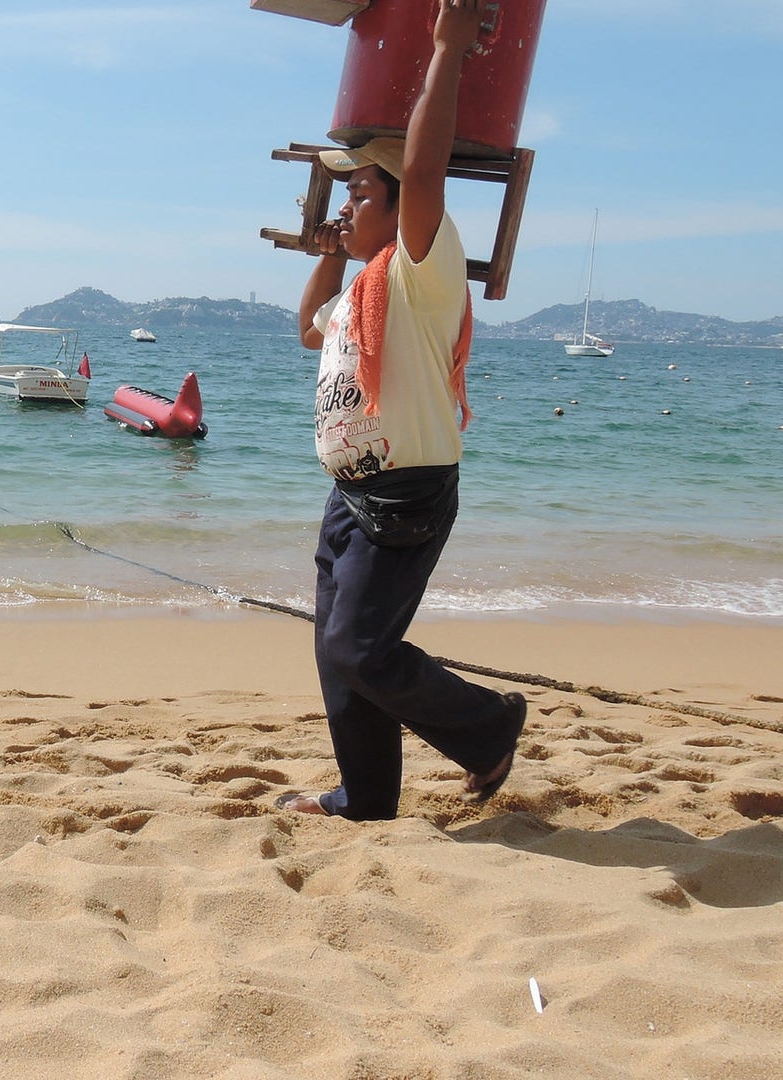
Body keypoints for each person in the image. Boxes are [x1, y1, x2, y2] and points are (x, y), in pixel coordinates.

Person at [274, 0, 526, 821]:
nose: (346, 207)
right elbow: (309, 333)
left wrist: (447, 50)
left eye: (360, 193)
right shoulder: (362, 296)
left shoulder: (421, 272)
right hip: (350, 495)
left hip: (408, 492)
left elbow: (422, 174)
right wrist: (324, 257)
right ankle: (367, 797)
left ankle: (489, 728)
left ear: (401, 208)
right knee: (336, 654)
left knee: (360, 648)